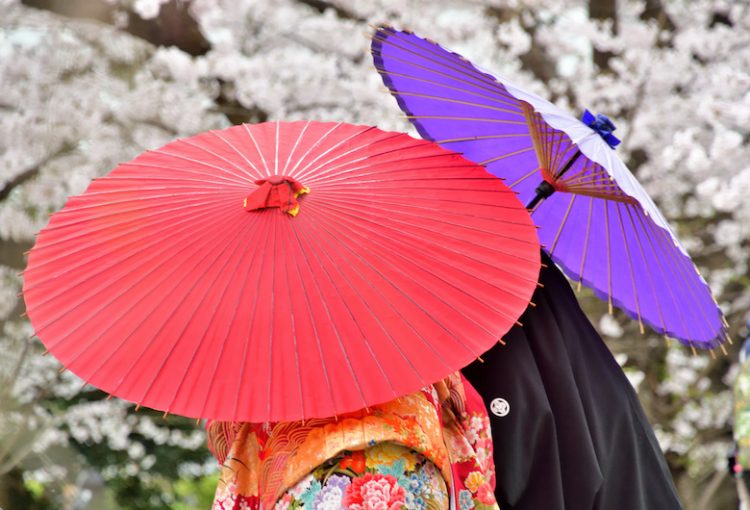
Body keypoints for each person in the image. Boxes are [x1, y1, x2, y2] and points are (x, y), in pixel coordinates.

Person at [462, 252, 684, 509]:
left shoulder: (488, 307)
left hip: (580, 463)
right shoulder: (525, 263)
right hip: (615, 460)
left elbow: (526, 446)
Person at [207, 372, 500, 509]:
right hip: (411, 472)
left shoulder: (257, 345)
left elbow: (226, 432)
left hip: (304, 484)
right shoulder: (407, 314)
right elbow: (470, 417)